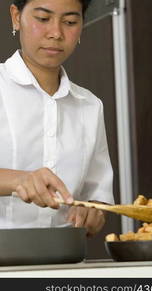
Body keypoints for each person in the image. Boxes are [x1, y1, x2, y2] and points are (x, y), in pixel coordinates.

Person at [0, 0, 114, 236]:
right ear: (15, 17)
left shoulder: (90, 106)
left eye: (70, 22)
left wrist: (94, 212)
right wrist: (17, 180)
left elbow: (98, 195)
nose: (56, 33)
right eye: (43, 19)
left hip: (64, 262)